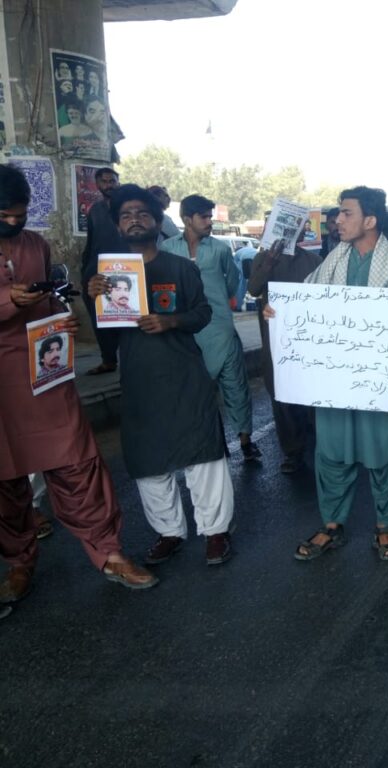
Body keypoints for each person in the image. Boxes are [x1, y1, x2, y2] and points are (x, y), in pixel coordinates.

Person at [1, 167, 157, 607]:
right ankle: (18, 563)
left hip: (44, 374)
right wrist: (7, 300)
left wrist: (60, 319)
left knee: (77, 461)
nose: (15, 223)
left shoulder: (35, 244)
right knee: (6, 481)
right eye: (5, 216)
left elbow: (50, 293)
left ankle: (108, 552)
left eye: (20, 214)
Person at [263, 187, 388, 563]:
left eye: (345, 214)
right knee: (332, 453)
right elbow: (304, 303)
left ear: (370, 220)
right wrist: (279, 313)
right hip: (336, 383)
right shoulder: (330, 263)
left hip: (380, 382)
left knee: (386, 452)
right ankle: (332, 525)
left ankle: (385, 526)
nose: (336, 221)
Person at [87, 184, 235, 568]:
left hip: (185, 375)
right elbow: (105, 331)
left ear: (157, 222)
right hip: (138, 379)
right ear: (118, 227)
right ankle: (169, 531)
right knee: (148, 457)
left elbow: (202, 313)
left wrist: (171, 320)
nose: (134, 220)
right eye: (126, 215)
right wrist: (94, 296)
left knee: (203, 454)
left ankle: (215, 531)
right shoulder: (107, 274)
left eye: (142, 214)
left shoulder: (180, 268)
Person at [162, 195, 261, 462]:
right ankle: (207, 442)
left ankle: (245, 440)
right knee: (194, 391)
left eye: (210, 216)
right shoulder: (168, 249)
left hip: (220, 327)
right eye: (204, 217)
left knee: (235, 385)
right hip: (184, 330)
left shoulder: (218, 249)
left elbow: (233, 282)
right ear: (186, 219)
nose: (209, 221)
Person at [247, 236, 322, 473]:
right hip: (276, 340)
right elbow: (253, 289)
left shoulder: (314, 260)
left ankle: (324, 451)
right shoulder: (262, 258)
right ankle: (293, 453)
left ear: (302, 233)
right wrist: (270, 260)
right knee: (282, 397)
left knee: (313, 396)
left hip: (309, 339)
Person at [80, 167, 126, 374]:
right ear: (97, 185)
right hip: (97, 271)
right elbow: (91, 242)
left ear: (118, 181)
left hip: (125, 270)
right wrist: (85, 268)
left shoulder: (127, 207)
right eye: (104, 181)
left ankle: (132, 359)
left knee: (126, 314)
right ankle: (108, 360)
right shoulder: (95, 210)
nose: (109, 185)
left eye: (112, 180)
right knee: (99, 317)